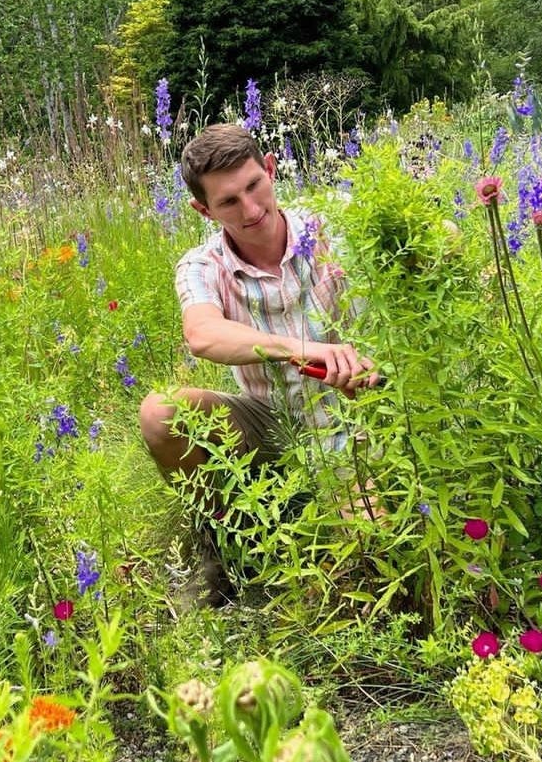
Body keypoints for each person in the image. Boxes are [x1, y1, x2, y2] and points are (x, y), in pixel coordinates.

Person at [139, 123, 380, 606]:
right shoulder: (201, 265)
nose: (250, 210)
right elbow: (201, 333)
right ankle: (222, 547)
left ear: (270, 168)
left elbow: (433, 241)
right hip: (273, 426)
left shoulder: (334, 222)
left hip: (362, 419)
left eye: (254, 186)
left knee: (366, 555)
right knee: (161, 412)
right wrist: (304, 350)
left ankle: (341, 510)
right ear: (202, 210)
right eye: (228, 202)